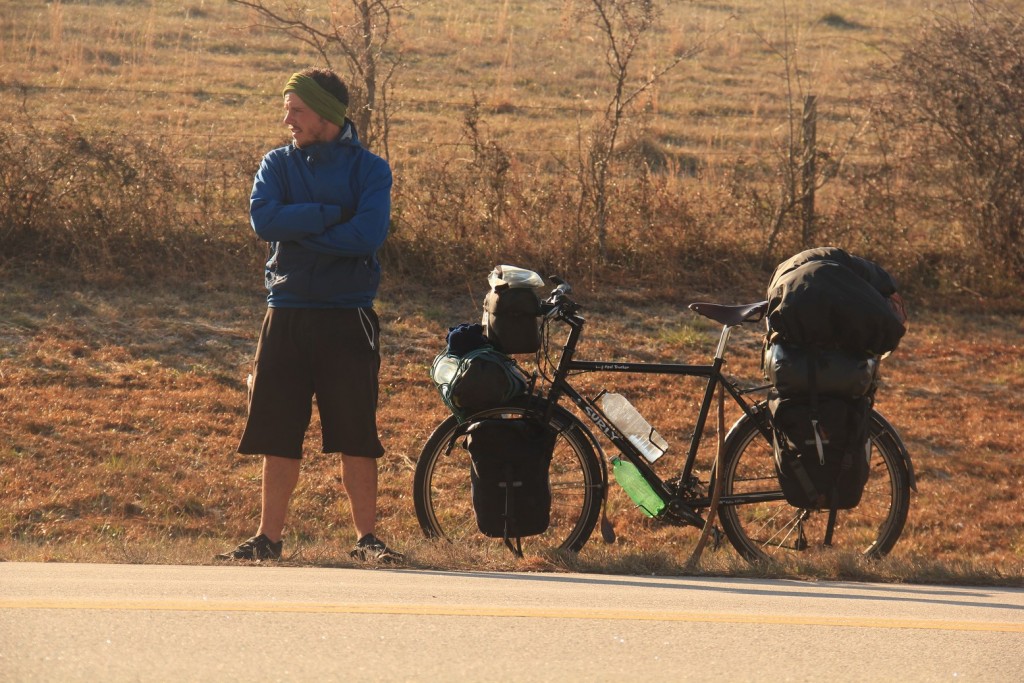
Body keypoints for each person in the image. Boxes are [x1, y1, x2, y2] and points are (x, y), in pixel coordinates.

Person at [217, 68, 401, 563]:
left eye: (296, 109)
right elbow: (264, 220)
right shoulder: (276, 163)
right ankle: (267, 540)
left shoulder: (371, 169)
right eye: (287, 108)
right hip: (287, 312)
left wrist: (298, 229)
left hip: (348, 315)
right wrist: (327, 214)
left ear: (326, 114)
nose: (287, 119)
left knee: (356, 432)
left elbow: (367, 237)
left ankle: (367, 540)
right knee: (278, 430)